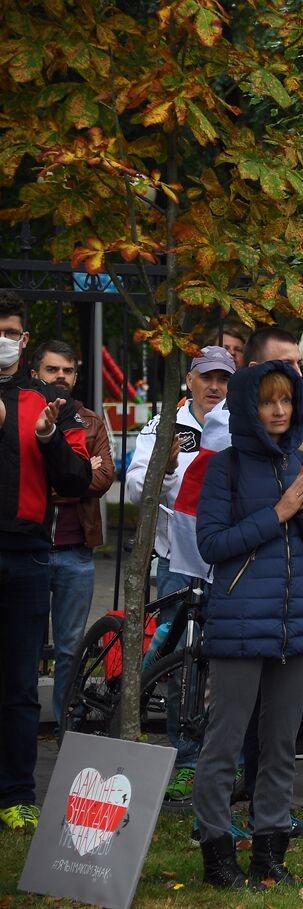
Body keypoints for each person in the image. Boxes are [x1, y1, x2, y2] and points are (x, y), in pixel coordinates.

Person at [193, 361, 303, 889]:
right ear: (248, 409)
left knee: (280, 744)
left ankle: (270, 851)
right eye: (267, 402)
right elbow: (211, 545)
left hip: (295, 625)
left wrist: (302, 504)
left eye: (286, 401)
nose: (279, 411)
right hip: (237, 625)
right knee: (224, 744)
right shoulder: (225, 467)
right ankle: (217, 852)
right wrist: (278, 511)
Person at [126, 344, 236, 801]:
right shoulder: (166, 425)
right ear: (189, 379)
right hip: (178, 561)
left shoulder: (238, 423)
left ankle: (226, 762)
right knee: (182, 665)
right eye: (207, 377)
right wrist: (165, 469)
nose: (215, 387)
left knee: (227, 662)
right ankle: (186, 759)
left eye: (223, 379)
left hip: (227, 560)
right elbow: (135, 488)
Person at [0, 293, 91, 833]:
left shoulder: (51, 404)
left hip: (29, 558)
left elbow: (78, 481)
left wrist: (49, 436)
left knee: (17, 685)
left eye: (10, 330)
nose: (3, 340)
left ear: (23, 339)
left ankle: (16, 793)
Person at [33, 341, 114, 720]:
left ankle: (67, 728)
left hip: (76, 553)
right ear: (35, 374)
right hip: (27, 549)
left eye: (67, 371)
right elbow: (21, 480)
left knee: (69, 649)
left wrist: (60, 480)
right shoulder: (20, 417)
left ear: (76, 377)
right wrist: (76, 473)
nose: (60, 377)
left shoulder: (92, 422)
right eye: (53, 370)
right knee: (22, 646)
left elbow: (102, 479)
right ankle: (21, 727)